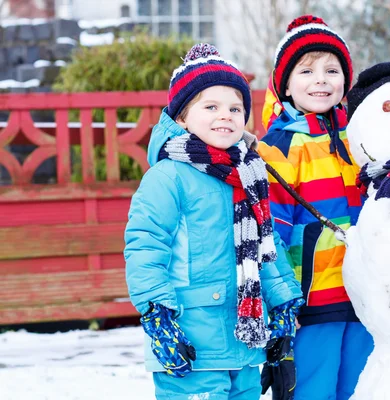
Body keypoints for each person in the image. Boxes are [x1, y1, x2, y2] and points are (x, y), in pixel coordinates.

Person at [124, 43, 303, 400]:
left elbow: (267, 248)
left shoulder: (248, 174)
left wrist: (282, 304)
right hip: (191, 342)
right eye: (211, 106)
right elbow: (145, 246)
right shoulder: (168, 177)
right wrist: (157, 315)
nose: (226, 115)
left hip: (245, 341)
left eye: (235, 108)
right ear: (181, 118)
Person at [258, 15, 374, 400]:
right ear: (285, 85)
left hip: (364, 293)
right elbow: (270, 226)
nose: (320, 79)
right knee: (312, 388)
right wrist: (282, 296)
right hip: (310, 298)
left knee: (360, 387)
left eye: (331, 69)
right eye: (306, 71)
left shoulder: (362, 137)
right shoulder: (279, 145)